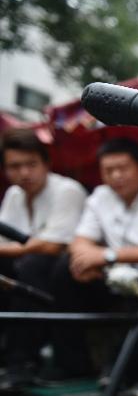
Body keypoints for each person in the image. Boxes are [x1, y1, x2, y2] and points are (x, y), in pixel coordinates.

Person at [49, 137, 138, 376]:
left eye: (123, 168)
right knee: (65, 269)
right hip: (111, 278)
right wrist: (85, 259)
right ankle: (72, 368)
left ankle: (124, 376)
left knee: (133, 284)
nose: (116, 176)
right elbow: (80, 240)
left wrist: (106, 255)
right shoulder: (100, 197)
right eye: (108, 170)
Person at [0, 128, 86, 377]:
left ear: (46, 163)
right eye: (15, 166)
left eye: (31, 164)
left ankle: (22, 361)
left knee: (33, 264)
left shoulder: (67, 190)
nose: (24, 173)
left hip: (63, 276)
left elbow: (53, 246)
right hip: (28, 275)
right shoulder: (14, 194)